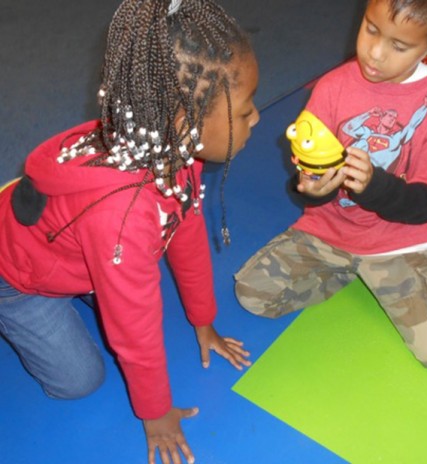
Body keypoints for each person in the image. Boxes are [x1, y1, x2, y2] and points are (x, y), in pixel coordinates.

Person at [0, 0, 259, 463]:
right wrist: (155, 412)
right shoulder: (124, 218)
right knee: (80, 383)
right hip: (16, 277)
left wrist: (204, 321)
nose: (256, 117)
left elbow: (186, 231)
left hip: (72, 247)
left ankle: (79, 275)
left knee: (127, 277)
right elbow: (133, 327)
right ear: (186, 123)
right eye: (244, 111)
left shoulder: (175, 151)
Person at [235, 0, 427, 370]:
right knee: (252, 294)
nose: (375, 53)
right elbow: (310, 175)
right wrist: (313, 189)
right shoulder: (332, 87)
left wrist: (374, 186)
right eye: (371, 29)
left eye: (399, 46)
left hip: (402, 241)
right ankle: (350, 269)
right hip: (329, 232)